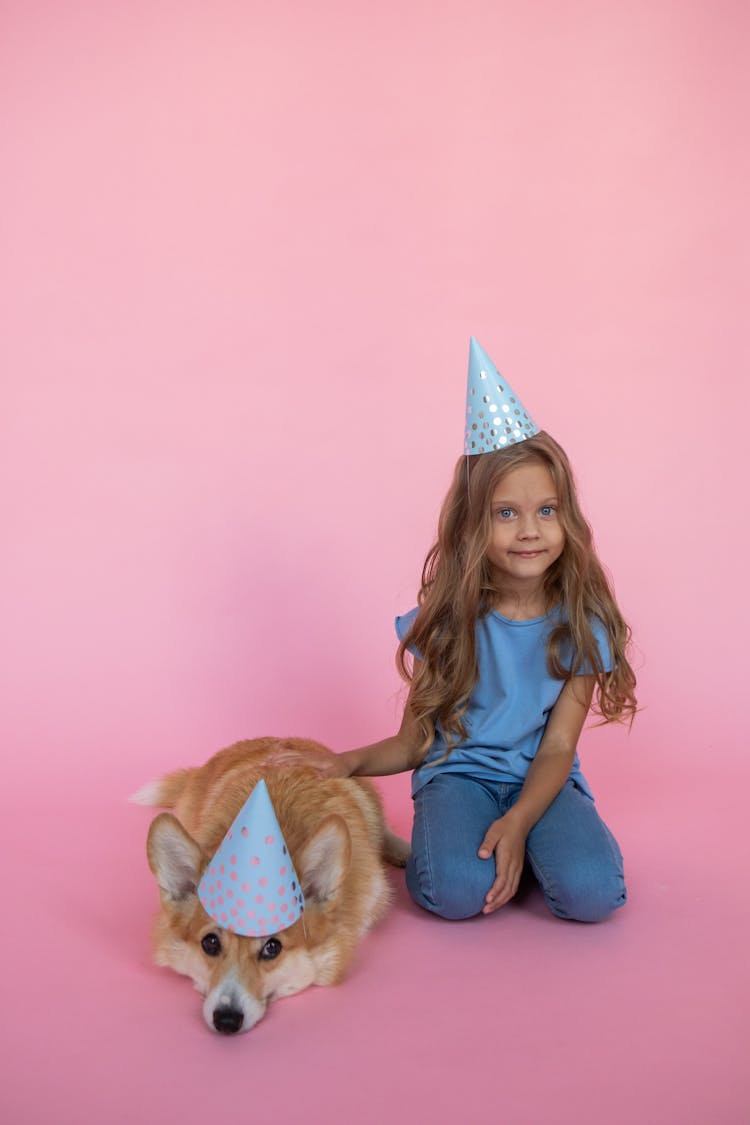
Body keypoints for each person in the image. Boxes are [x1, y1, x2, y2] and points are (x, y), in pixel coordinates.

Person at [275, 339, 637, 923]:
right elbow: (416, 741)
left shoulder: (580, 624)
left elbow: (559, 746)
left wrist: (520, 820)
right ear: (474, 525)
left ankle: (523, 847)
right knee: (455, 896)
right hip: (457, 777)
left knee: (593, 895)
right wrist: (346, 763)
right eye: (505, 512)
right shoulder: (443, 624)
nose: (529, 530)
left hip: (541, 779)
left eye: (546, 510)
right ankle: (479, 850)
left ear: (567, 517)